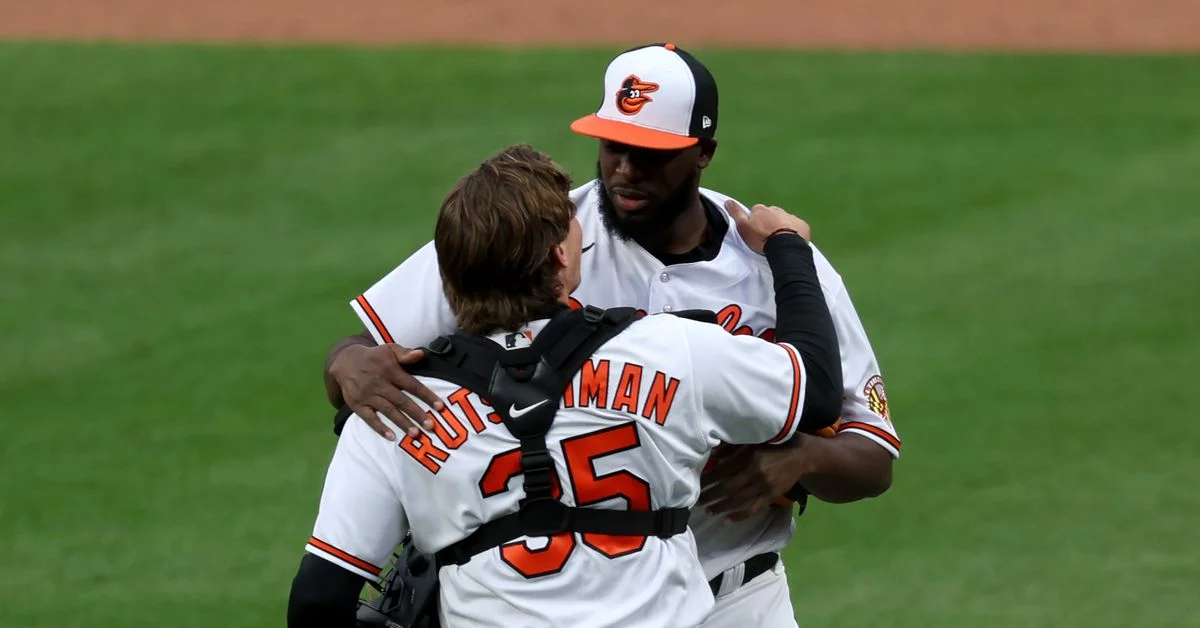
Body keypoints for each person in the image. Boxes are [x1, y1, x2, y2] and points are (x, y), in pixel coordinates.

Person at [323, 43, 901, 626]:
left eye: (649, 152)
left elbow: (874, 457)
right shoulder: (538, 232)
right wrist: (347, 364)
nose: (624, 167)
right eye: (611, 144)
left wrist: (802, 458)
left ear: (703, 153)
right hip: (567, 597)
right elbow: (366, 351)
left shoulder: (777, 265)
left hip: (739, 595)